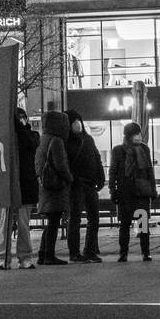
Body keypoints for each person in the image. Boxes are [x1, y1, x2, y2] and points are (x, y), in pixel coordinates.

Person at [0, 107, 39, 270]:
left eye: (22, 118)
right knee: (4, 224)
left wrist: (18, 125)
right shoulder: (4, 137)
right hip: (6, 186)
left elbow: (29, 143)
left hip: (25, 186)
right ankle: (4, 257)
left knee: (23, 225)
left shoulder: (32, 135)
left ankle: (25, 257)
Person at [109, 122, 155, 262]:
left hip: (142, 190)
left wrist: (153, 189)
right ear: (128, 136)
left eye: (139, 133)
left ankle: (145, 252)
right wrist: (113, 189)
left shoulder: (144, 149)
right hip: (125, 191)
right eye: (136, 134)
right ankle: (123, 253)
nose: (138, 136)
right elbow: (113, 171)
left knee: (143, 223)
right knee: (125, 223)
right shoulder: (118, 150)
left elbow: (149, 171)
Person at [64, 109, 105, 263]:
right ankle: (74, 253)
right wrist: (72, 179)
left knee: (94, 218)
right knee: (75, 219)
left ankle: (90, 250)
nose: (77, 124)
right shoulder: (65, 142)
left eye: (79, 120)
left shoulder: (88, 139)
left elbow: (97, 158)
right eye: (74, 121)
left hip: (90, 184)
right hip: (76, 185)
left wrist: (100, 177)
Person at [35, 109, 74, 265]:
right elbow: (60, 164)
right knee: (53, 222)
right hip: (55, 187)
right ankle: (49, 255)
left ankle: (42, 254)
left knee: (51, 221)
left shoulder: (43, 139)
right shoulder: (56, 141)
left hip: (45, 186)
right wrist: (69, 178)